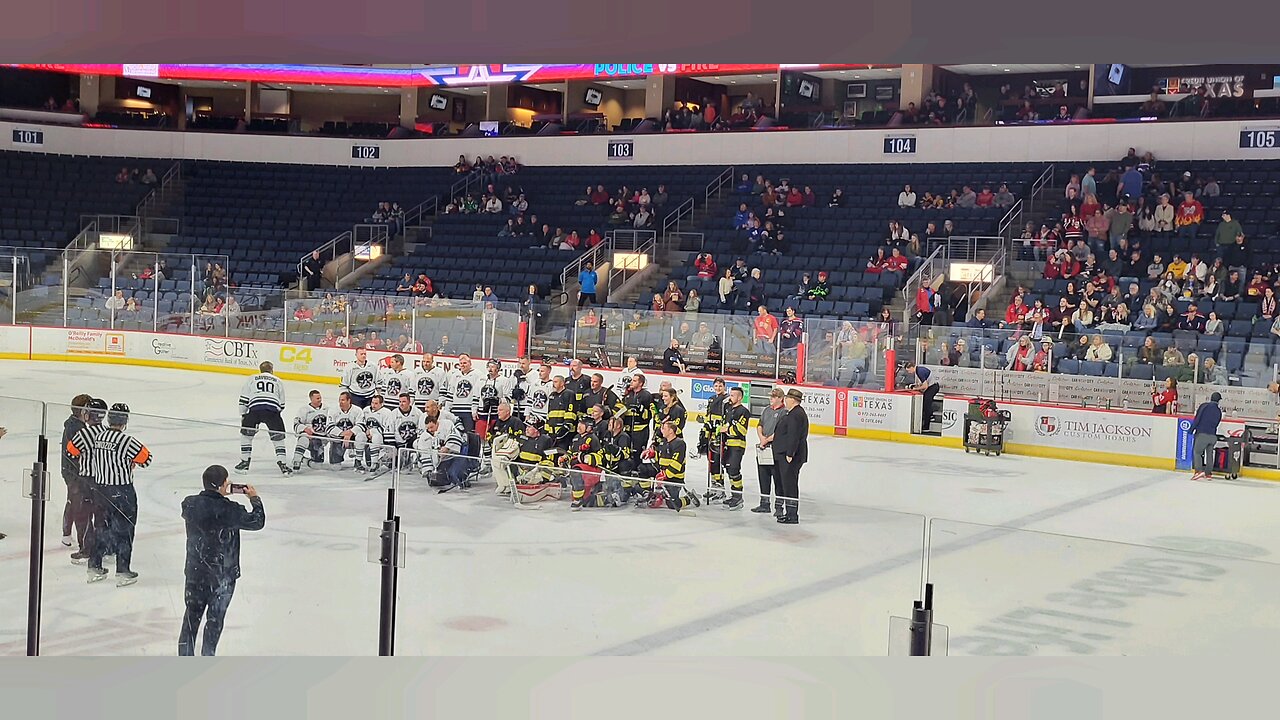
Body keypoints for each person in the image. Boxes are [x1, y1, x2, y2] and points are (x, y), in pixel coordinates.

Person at [178, 465, 265, 656]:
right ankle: (208, 656)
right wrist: (254, 499)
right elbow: (257, 522)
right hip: (221, 575)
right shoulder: (230, 510)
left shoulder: (190, 504)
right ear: (223, 484)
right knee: (215, 620)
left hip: (195, 571)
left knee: (191, 618)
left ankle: (184, 657)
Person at [66, 403, 151, 586]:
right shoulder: (127, 441)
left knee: (101, 528)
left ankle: (94, 566)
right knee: (125, 531)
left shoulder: (97, 438)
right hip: (122, 492)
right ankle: (122, 571)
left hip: (101, 490)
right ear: (124, 422)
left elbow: (73, 452)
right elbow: (146, 459)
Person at [235, 361, 292, 476]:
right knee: (278, 438)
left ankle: (244, 463)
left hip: (255, 408)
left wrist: (244, 415)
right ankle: (283, 465)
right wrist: (275, 414)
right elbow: (282, 404)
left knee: (246, 436)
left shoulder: (252, 378)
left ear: (260, 370)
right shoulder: (278, 380)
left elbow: (244, 399)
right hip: (272, 410)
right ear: (272, 370)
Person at [771, 388, 809, 525]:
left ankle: (792, 515)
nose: (785, 400)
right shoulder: (794, 413)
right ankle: (790, 513)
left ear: (792, 399)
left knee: (790, 485)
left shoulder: (795, 414)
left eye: (786, 398)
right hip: (788, 454)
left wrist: (789, 453)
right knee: (788, 484)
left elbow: (794, 435)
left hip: (790, 456)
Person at [752, 388, 787, 515]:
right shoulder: (767, 410)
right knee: (764, 477)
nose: (771, 399)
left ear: (780, 398)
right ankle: (764, 503)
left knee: (778, 479)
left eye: (774, 397)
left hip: (775, 449)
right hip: (763, 448)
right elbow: (760, 424)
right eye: (771, 396)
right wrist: (762, 438)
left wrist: (766, 440)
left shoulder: (784, 412)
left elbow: (781, 432)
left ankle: (779, 507)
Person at [1187, 392, 1223, 482]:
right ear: (1219, 400)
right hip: (1213, 436)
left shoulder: (1204, 406)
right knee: (1209, 454)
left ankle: (1198, 471)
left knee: (1197, 452)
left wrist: (1191, 429)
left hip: (1202, 434)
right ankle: (1208, 473)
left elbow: (1197, 418)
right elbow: (1217, 423)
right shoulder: (1219, 411)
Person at [904, 360, 939, 433]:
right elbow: (925, 384)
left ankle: (927, 426)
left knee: (926, 405)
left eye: (908, 371)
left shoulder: (919, 372)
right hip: (933, 386)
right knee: (926, 403)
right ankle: (930, 416)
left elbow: (925, 386)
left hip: (933, 387)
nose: (909, 372)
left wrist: (916, 388)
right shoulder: (919, 370)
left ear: (911, 367)